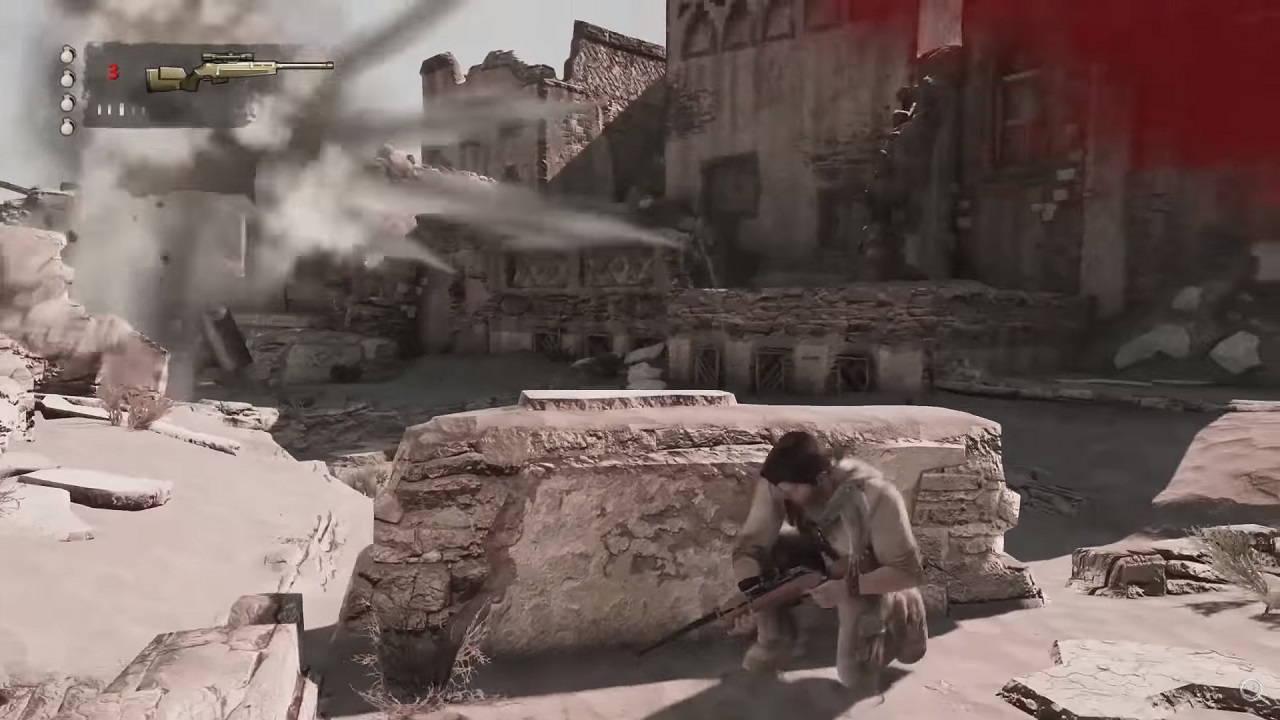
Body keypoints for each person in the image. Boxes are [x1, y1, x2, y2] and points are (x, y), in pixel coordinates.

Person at [729, 430, 928, 694]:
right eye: (781, 489)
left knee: (855, 675)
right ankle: (775, 638)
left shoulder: (876, 497)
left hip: (865, 573)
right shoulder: (780, 483)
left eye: (793, 489)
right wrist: (751, 595)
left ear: (821, 479)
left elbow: (907, 571)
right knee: (775, 551)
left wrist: (847, 588)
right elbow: (750, 547)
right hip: (825, 560)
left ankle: (905, 612)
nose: (784, 495)